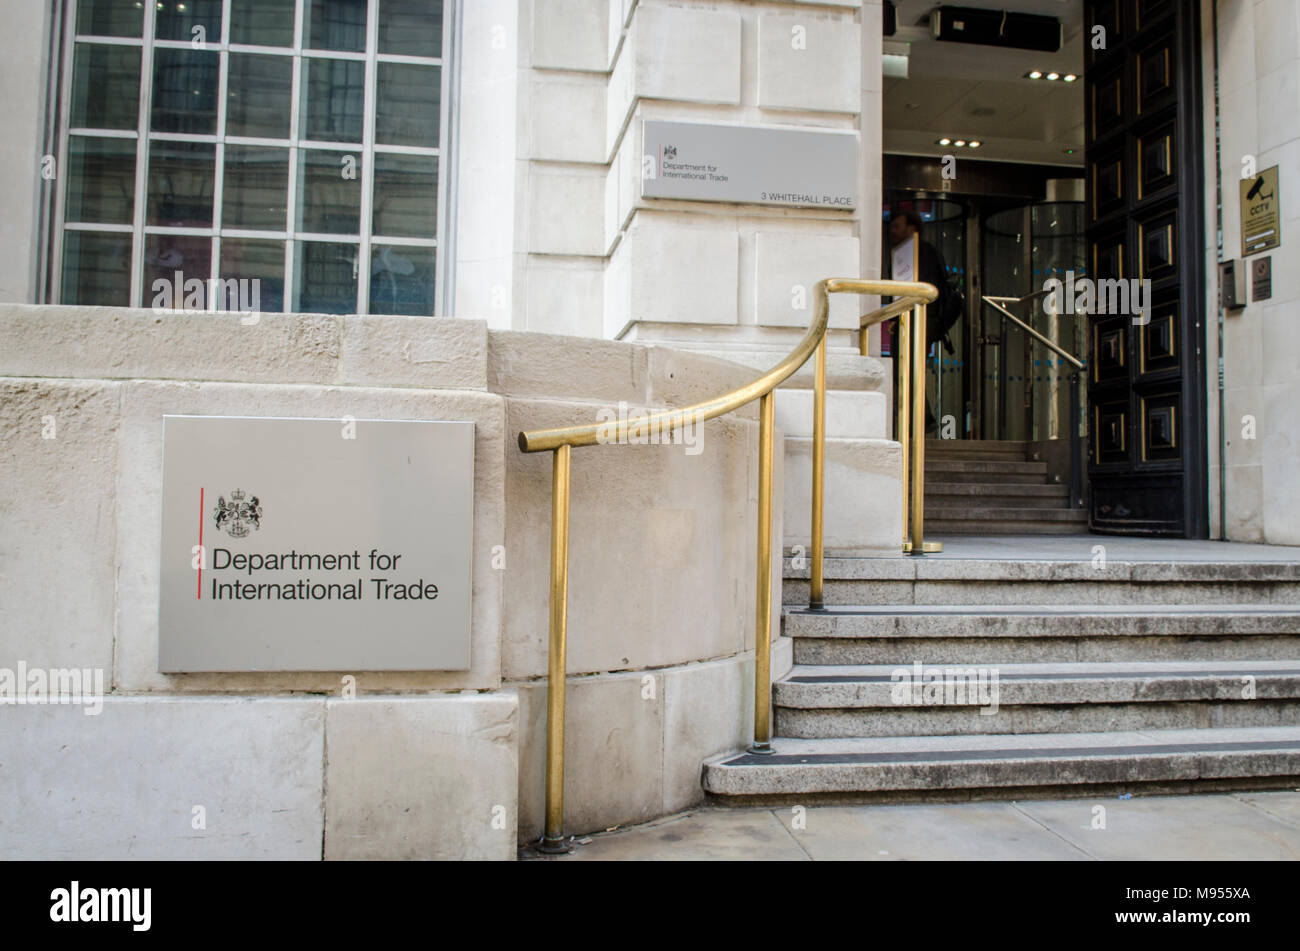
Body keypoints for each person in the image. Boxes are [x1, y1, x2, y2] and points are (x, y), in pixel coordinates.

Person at [886, 210, 960, 433]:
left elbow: (925, 292)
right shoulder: (905, 254)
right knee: (907, 369)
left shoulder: (922, 252)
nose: (893, 230)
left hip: (918, 322)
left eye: (898, 225)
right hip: (912, 321)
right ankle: (918, 419)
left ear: (912, 228)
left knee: (907, 369)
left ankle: (920, 420)